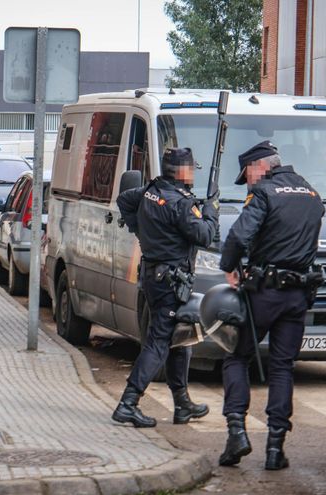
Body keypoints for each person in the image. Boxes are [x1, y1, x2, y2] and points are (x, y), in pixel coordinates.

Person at [217, 141, 324, 469]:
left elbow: (239, 236)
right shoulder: (311, 193)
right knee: (282, 367)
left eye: (248, 174)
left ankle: (237, 433)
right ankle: (276, 449)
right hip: (298, 296)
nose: (248, 181)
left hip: (264, 292)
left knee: (236, 357)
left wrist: (229, 266)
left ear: (259, 167)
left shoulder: (263, 193)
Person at [112, 147, 219, 427]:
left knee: (181, 339)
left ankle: (182, 403)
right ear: (182, 171)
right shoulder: (181, 204)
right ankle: (128, 402)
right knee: (159, 342)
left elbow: (124, 200)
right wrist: (211, 211)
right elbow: (205, 236)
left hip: (153, 275)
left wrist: (141, 231)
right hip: (170, 280)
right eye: (191, 169)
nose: (194, 173)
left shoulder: (150, 191)